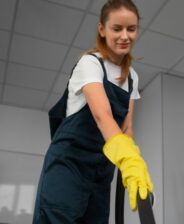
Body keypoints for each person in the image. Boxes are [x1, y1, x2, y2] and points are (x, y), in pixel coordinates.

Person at [32, 0, 153, 223]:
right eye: (117, 28)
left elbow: (126, 127)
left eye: (131, 29)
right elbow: (102, 115)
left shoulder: (132, 77)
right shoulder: (90, 63)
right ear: (102, 29)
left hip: (101, 171)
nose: (125, 36)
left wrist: (134, 164)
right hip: (69, 164)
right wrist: (126, 158)